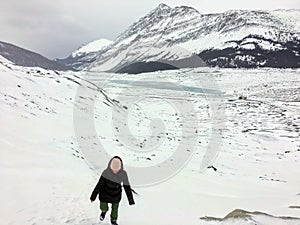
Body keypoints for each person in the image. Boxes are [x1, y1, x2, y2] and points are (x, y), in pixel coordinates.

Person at [90, 156, 136, 225]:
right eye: (113, 169)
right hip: (104, 193)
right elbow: (99, 185)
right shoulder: (105, 173)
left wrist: (130, 200)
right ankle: (104, 211)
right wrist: (93, 196)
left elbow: (127, 187)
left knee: (115, 209)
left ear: (120, 168)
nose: (115, 171)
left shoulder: (123, 174)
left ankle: (113, 221)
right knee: (103, 206)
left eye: (117, 169)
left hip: (116, 194)